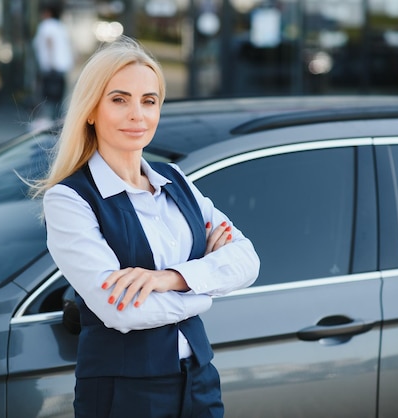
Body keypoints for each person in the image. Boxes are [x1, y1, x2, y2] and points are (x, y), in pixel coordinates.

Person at [35, 36, 260, 418]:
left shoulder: (176, 181)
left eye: (149, 101)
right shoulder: (70, 199)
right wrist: (206, 287)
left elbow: (247, 261)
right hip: (124, 393)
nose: (137, 115)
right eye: (119, 100)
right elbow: (121, 311)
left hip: (199, 380)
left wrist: (170, 278)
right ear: (91, 110)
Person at [32, 1, 73, 120]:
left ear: (47, 13)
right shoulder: (60, 26)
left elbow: (50, 43)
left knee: (49, 98)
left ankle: (49, 124)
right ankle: (57, 122)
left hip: (52, 67)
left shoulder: (46, 25)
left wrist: (51, 62)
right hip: (62, 66)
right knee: (59, 99)